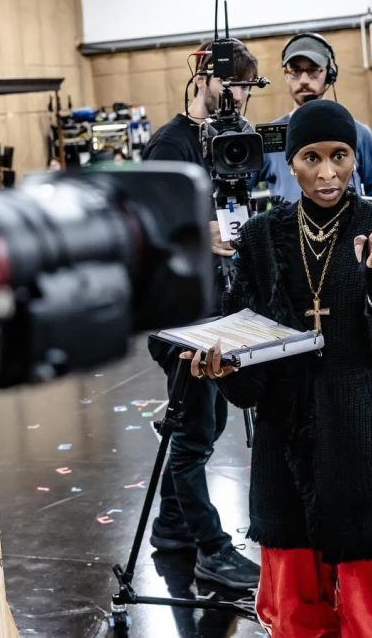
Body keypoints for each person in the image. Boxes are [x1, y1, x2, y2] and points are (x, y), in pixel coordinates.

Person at [185, 100, 372, 635]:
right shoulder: (261, 237)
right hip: (285, 449)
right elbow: (249, 379)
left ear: (356, 158)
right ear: (290, 163)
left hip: (363, 440)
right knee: (297, 614)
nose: (327, 173)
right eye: (311, 158)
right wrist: (225, 368)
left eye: (339, 156)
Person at [139, 38, 262, 590]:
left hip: (218, 306)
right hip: (180, 314)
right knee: (192, 436)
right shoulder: (171, 144)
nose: (240, 97)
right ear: (205, 79)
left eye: (247, 89)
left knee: (206, 425)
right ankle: (212, 548)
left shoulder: (231, 138)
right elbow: (148, 229)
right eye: (232, 85)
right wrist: (198, 234)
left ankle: (171, 528)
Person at [256, 33, 372, 201]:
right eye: (295, 71)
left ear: (330, 73)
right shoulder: (268, 138)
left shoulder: (359, 133)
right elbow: (239, 192)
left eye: (313, 70)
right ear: (286, 74)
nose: (304, 80)